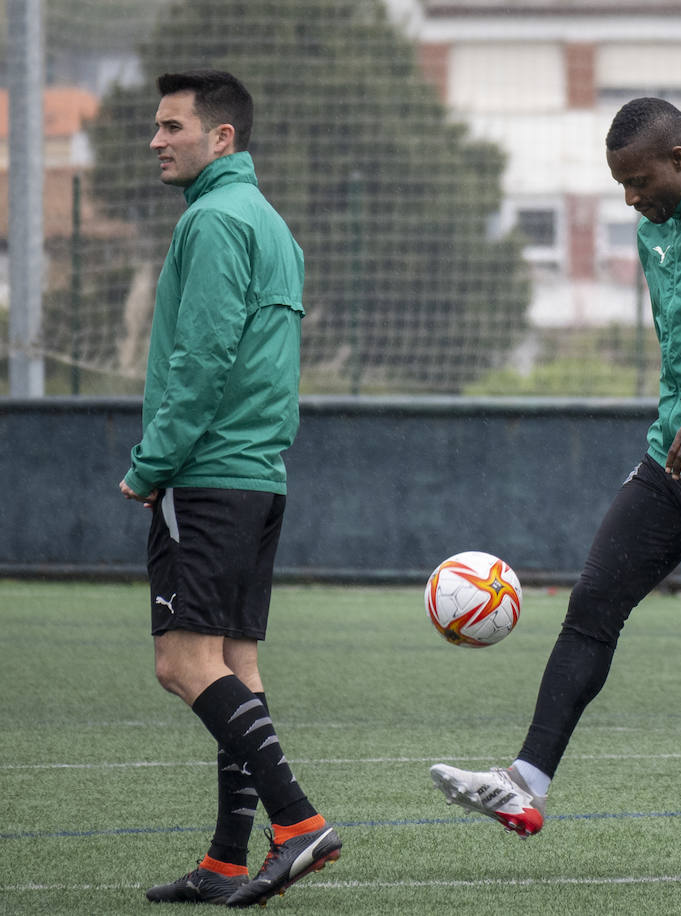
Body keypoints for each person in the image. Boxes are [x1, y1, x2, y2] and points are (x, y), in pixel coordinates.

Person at [430, 96, 681, 880]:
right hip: (669, 458)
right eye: (618, 183)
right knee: (592, 609)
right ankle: (524, 783)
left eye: (638, 180)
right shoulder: (656, 230)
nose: (629, 199)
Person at [119, 69, 340, 907]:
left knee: (181, 663)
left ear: (222, 139)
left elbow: (202, 359)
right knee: (232, 663)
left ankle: (300, 824)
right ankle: (223, 861)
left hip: (207, 475)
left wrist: (151, 462)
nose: (156, 139)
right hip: (258, 476)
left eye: (172, 125)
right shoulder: (270, 224)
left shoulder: (213, 221)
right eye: (157, 125)